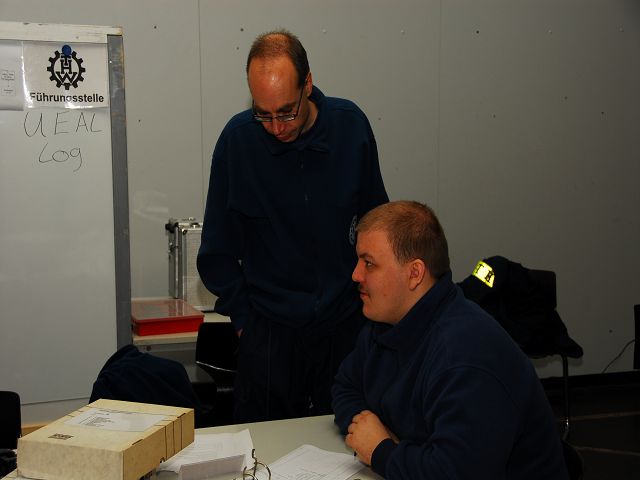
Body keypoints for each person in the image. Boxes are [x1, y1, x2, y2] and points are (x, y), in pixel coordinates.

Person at [197, 29, 388, 423]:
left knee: (348, 442)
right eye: (263, 114)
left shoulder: (350, 128)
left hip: (344, 330)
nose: (276, 127)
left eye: (286, 112)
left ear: (308, 85)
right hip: (269, 337)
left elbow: (379, 231)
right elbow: (216, 253)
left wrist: (370, 315)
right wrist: (245, 323)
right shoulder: (238, 142)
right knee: (266, 448)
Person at [332, 201, 569, 479]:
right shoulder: (385, 324)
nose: (356, 274)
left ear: (414, 274)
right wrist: (369, 430)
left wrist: (381, 450)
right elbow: (345, 386)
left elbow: (454, 472)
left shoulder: (465, 354)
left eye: (369, 263)